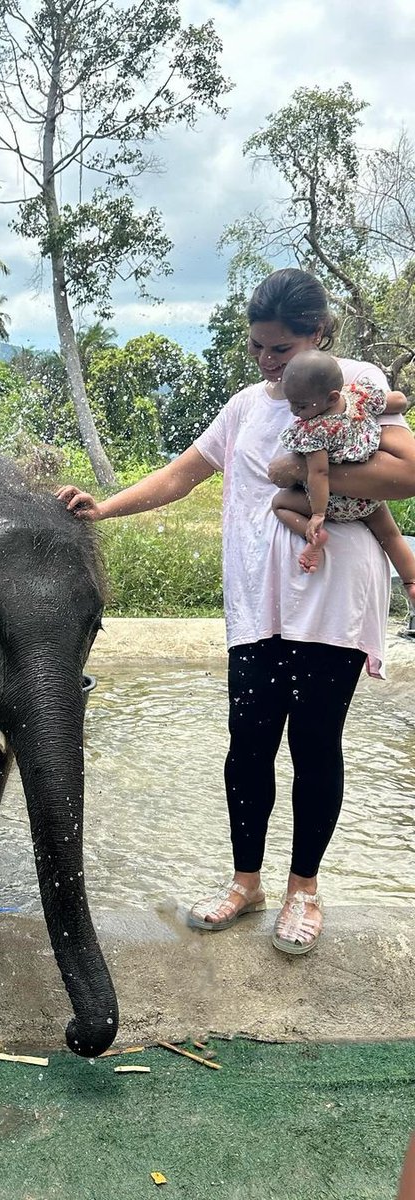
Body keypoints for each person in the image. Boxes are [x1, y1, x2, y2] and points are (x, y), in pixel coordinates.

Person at [58, 267, 415, 958]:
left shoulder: (357, 383)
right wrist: (104, 508)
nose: (267, 362)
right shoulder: (247, 406)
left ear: (317, 336)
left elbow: (407, 472)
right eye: (257, 348)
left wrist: (307, 475)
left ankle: (303, 889)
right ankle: (246, 881)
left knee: (314, 746)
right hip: (258, 604)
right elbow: (180, 474)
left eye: (280, 349)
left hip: (333, 598)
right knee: (247, 745)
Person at [271, 348, 415, 595]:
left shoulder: (314, 431)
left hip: (334, 502)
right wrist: (391, 401)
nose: (295, 411)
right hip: (368, 496)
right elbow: (398, 401)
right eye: (291, 403)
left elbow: (318, 474)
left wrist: (317, 515)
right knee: (391, 536)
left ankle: (314, 539)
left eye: (301, 405)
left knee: (279, 503)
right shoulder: (360, 397)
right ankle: (411, 581)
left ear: (330, 397)